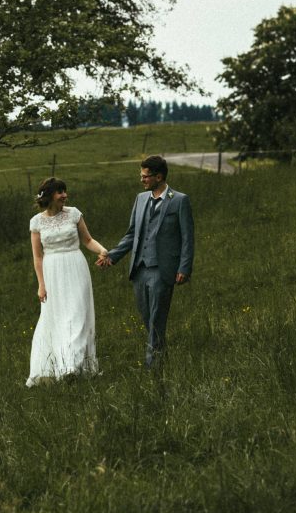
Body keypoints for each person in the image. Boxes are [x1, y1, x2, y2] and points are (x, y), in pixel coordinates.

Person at [97, 155, 194, 370]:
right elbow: (132, 234)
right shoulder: (140, 199)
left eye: (145, 176)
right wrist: (112, 255)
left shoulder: (179, 200)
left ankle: (152, 367)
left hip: (163, 269)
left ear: (159, 176)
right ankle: (161, 357)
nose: (142, 180)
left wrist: (184, 267)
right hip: (140, 269)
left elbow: (188, 237)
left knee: (157, 318)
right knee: (147, 317)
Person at [26, 177, 108, 387]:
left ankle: (71, 366)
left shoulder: (73, 213)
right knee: (56, 318)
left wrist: (102, 250)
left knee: (77, 316)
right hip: (52, 272)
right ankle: (60, 365)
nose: (65, 195)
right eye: (60, 192)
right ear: (49, 196)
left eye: (65, 191)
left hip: (76, 267)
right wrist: (41, 284)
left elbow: (87, 240)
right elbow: (38, 257)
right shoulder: (36, 222)